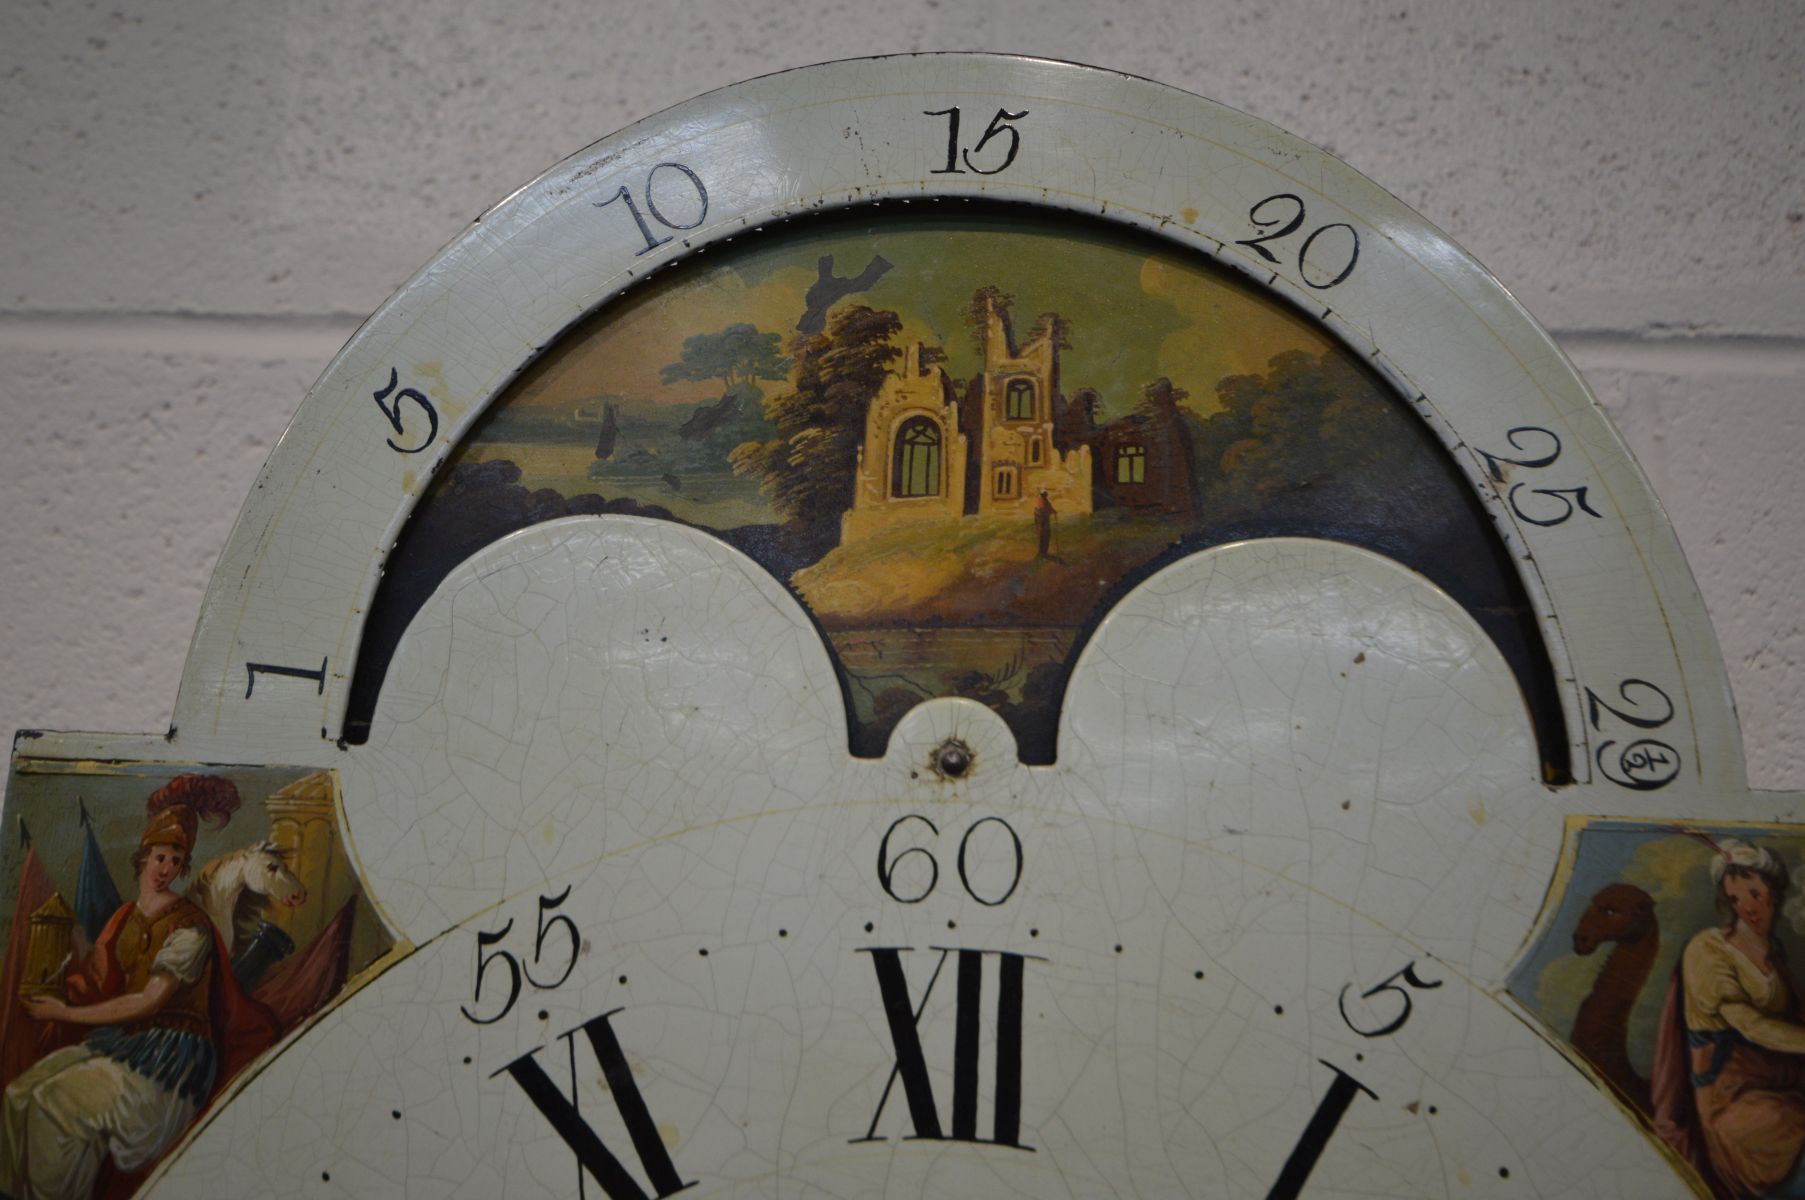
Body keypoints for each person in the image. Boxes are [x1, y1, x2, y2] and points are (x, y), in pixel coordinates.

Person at [0, 775, 275, 1200]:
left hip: (169, 1064)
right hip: (125, 1047)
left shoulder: (190, 928)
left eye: (176, 860)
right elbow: (102, 982)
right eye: (160, 856)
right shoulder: (125, 918)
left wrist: (65, 1014)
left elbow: (148, 1001)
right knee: (19, 1096)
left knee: (57, 1103)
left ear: (184, 867)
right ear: (143, 857)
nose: (166, 868)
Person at [1653, 838, 1805, 1198]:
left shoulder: (1774, 959)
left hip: (1779, 1088)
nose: (1747, 907)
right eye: (1735, 898)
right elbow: (1750, 1025)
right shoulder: (1708, 949)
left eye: (1754, 893)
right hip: (1731, 1103)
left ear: (1774, 893)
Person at [1033, 490, 1056, 559]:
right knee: (1041, 537)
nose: (1044, 496)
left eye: (1045, 495)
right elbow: (1038, 512)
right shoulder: (1039, 502)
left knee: (1046, 537)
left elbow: (1050, 509)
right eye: (1043, 495)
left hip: (1046, 523)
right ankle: (1041, 552)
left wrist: (1054, 512)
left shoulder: (1047, 502)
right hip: (1041, 524)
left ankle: (1044, 552)